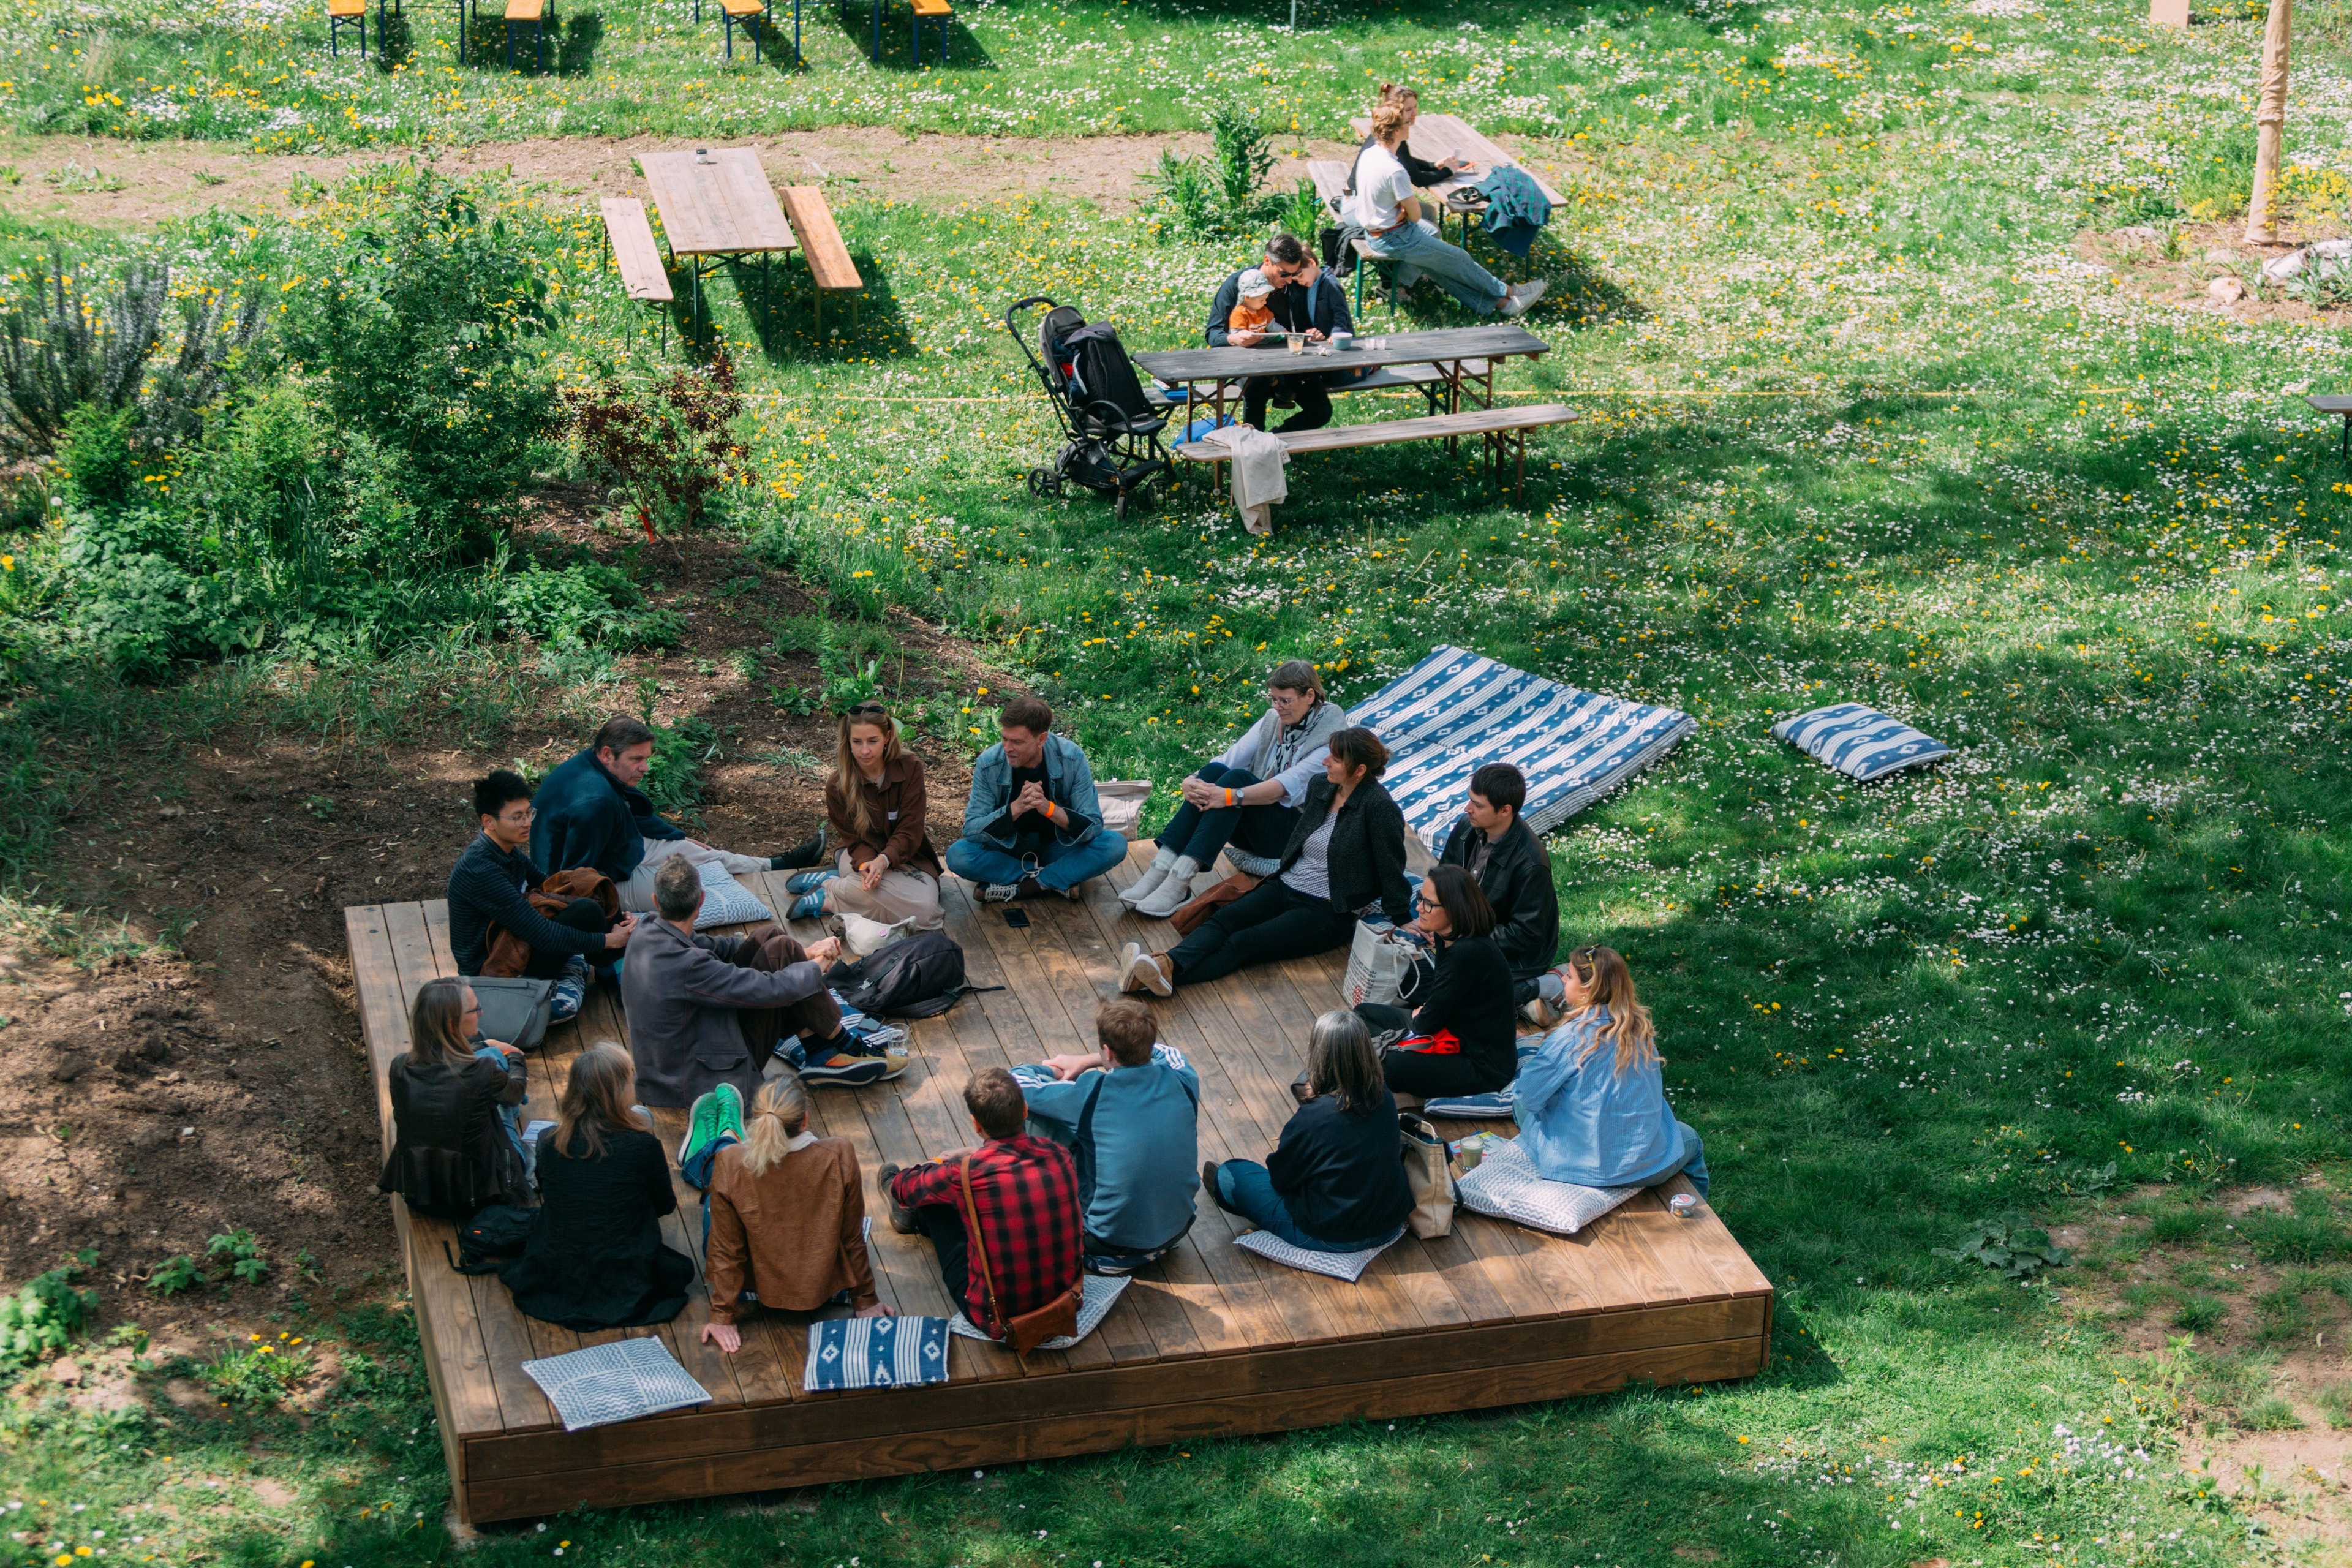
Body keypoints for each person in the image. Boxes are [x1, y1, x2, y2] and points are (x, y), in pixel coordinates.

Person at [1118, 727, 1412, 997]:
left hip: (1326, 911)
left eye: (1335, 759)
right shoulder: (1322, 786)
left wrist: (1402, 918)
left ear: (1359, 771)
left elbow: (1391, 867)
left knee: (1243, 943)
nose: (1326, 763)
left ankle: (1157, 976)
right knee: (1224, 920)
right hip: (1285, 885)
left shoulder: (1380, 809)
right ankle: (1164, 964)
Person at [622, 856, 903, 1098]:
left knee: (772, 939)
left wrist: (803, 953)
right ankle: (842, 1044)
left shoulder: (647, 929)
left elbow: (719, 947)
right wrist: (817, 966)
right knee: (785, 970)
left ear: (656, 902)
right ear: (702, 901)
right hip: (697, 1079)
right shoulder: (687, 965)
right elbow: (767, 989)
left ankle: (822, 1051)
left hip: (686, 1048)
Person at [1120, 659, 1349, 918]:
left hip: (1294, 834)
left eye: (1285, 700)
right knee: (1215, 773)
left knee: (1237, 780)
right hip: (1257, 824)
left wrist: (1231, 796)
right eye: (1273, 699)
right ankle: (1161, 868)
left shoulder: (1331, 738)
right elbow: (1228, 759)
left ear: (1310, 696)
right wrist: (1192, 780)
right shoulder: (1273, 721)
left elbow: (1283, 788)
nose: (1278, 707)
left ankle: (1181, 879)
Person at [532, 716, 825, 915]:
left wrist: (675, 838)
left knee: (702, 852)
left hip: (617, 845)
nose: (645, 768)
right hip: (599, 875)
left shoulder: (592, 765)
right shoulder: (594, 802)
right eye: (636, 760)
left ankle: (776, 865)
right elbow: (576, 874)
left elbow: (625, 817)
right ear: (608, 754)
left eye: (646, 758)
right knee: (687, 880)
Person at [876, 1068, 1082, 1341]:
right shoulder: (1060, 1155)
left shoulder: (967, 1173)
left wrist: (941, 1165)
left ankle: (912, 1218)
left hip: (996, 1317)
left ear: (976, 1124)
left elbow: (905, 1187)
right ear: (1024, 1110)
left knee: (933, 1202)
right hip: (1065, 1299)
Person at [500, 1041, 695, 1330]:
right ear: (620, 1090)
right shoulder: (643, 1145)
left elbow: (555, 1197)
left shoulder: (549, 1142)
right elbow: (665, 1206)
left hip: (562, 1265)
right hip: (622, 1269)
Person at [687, 1076, 889, 1352]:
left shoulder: (732, 1163)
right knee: (726, 1160)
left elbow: (726, 1249)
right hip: (823, 1283)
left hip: (755, 1285)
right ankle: (723, 1133)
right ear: (805, 1120)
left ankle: (715, 1140)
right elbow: (851, 1237)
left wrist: (722, 1316)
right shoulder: (839, 1152)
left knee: (719, 1165)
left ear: (758, 1121)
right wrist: (865, 1300)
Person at [1205, 1010, 1412, 1252]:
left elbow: (1281, 1179)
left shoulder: (1315, 1116)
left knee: (1232, 1174)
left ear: (1319, 1055)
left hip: (1331, 1234)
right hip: (1390, 1223)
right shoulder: (1384, 1095)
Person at [1020, 1000, 1201, 1275]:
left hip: (1105, 1241)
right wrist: (1088, 1060)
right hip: (1178, 1229)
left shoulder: (1092, 1092)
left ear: (1107, 1050)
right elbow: (1167, 1051)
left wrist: (1056, 1071)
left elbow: (1016, 1084)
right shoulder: (1182, 1077)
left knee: (1032, 1114)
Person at [1514, 946, 1708, 1196]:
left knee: (1519, 1102)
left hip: (1572, 1169)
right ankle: (1692, 1213)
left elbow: (1527, 1098)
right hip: (1644, 1165)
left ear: (1587, 990)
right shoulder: (1640, 1030)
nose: (1563, 979)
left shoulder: (1566, 1039)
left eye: (1569, 975)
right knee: (1689, 1137)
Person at [447, 769, 636, 1024]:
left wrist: (613, 911)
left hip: (511, 942)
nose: (527, 823)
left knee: (594, 881)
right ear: (489, 821)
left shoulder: (508, 852)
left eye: (528, 813)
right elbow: (542, 935)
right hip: (495, 969)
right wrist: (608, 940)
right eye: (517, 817)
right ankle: (618, 972)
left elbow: (550, 884)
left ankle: (610, 970)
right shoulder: (481, 870)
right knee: (586, 911)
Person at [1344, 100, 1546, 318]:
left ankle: (1504, 305)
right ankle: (1510, 292)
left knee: (1440, 265)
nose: (1411, 123)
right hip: (1395, 237)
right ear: (1398, 130)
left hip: (1378, 232)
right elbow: (1416, 215)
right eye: (1407, 121)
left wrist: (1399, 209)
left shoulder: (1371, 154)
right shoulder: (1395, 170)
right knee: (1459, 257)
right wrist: (1402, 211)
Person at [1354, 865, 1517, 1104]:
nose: (1419, 908)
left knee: (1392, 1065)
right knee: (1362, 1013)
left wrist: (1423, 1017)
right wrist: (1424, 1015)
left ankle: (1388, 1052)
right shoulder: (1446, 937)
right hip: (1446, 1031)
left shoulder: (1468, 953)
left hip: (1478, 1063)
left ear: (1454, 909)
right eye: (1421, 898)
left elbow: (1426, 1023)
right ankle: (1388, 1048)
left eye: (1428, 904)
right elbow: (1435, 1009)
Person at [779, 701, 944, 930]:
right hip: (857, 856)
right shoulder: (837, 785)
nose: (865, 751)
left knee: (927, 914)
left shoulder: (910, 768)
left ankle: (831, 891)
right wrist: (869, 865)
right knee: (897, 901)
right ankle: (841, 887)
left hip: (907, 858)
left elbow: (910, 829)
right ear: (848, 741)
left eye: (873, 741)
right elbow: (854, 841)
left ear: (887, 737)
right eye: (857, 742)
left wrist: (884, 861)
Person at [377, 977, 531, 1221]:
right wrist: (514, 1057)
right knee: (504, 1099)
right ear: (451, 1025)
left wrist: (483, 1046)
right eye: (475, 1009)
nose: (480, 1013)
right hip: (481, 1198)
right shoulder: (483, 1071)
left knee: (489, 1059)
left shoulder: (399, 1066)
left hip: (422, 1197)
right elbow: (516, 1094)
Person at [946, 696, 1126, 903]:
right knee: (958, 855)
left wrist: (1048, 809)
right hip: (1008, 853)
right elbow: (972, 830)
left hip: (1059, 848)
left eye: (1017, 742)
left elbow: (1093, 826)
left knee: (1114, 844)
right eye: (1005, 738)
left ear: (1041, 739)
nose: (1007, 748)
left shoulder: (1072, 758)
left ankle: (1026, 887)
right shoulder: (989, 763)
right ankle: (1054, 880)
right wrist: (1016, 808)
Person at [1200, 233, 1360, 434]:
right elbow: (1213, 333)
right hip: (1250, 364)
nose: (1290, 280)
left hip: (1290, 362)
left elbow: (1316, 319)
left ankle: (1276, 439)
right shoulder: (1238, 284)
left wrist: (1314, 332)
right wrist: (1233, 338)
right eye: (1284, 274)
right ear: (1267, 261)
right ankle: (1255, 446)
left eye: (1294, 274)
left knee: (1321, 410)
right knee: (1257, 384)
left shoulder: (1295, 286)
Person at [1435, 763, 1561, 1009]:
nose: (1467, 809)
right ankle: (1521, 1002)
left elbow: (1526, 935)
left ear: (1505, 811)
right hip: (1464, 933)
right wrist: (1436, 916)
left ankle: (1537, 987)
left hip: (1515, 956)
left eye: (1478, 805)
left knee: (1458, 999)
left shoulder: (1531, 863)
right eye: (1470, 800)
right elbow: (1442, 878)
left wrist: (1460, 935)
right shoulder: (1467, 826)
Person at [1227, 268, 1277, 337]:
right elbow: (1236, 333)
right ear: (1247, 298)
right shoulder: (1239, 313)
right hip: (1245, 347)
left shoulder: (1263, 311)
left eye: (1266, 299)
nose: (1265, 302)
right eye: (1262, 300)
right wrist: (1244, 334)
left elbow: (1272, 325)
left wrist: (1285, 333)